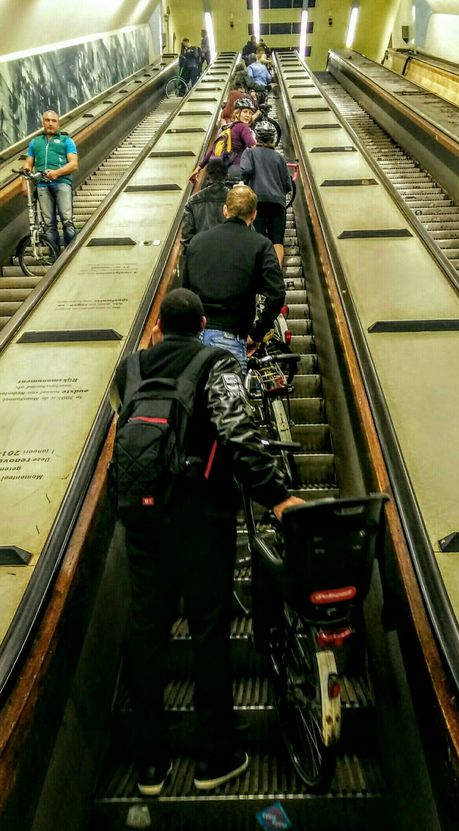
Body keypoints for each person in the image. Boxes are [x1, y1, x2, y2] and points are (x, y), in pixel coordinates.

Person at [112, 287, 303, 796]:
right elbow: (235, 429)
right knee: (208, 629)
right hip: (200, 515)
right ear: (200, 325)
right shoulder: (215, 363)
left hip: (141, 516)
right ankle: (213, 755)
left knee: (146, 630)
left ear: (158, 328)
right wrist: (277, 496)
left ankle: (150, 766)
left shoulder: (128, 369)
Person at [182, 185, 285, 373]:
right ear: (254, 214)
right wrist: (257, 333)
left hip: (193, 342)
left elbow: (185, 294)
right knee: (227, 401)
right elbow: (277, 294)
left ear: (225, 210)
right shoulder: (261, 245)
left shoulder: (197, 242)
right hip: (230, 339)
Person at [23, 110, 78, 251]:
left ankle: (71, 254)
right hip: (42, 186)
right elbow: (28, 165)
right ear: (43, 122)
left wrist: (57, 173)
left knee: (67, 221)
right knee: (49, 224)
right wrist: (24, 182)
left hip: (62, 183)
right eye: (47, 120)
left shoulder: (67, 141)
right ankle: (55, 257)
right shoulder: (35, 143)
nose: (50, 123)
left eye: (53, 121)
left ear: (58, 123)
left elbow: (74, 164)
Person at [240, 121, 292, 268]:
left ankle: (261, 276)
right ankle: (277, 274)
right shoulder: (279, 157)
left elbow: (246, 171)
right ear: (273, 138)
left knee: (259, 238)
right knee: (277, 241)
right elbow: (288, 185)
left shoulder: (249, 153)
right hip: (278, 203)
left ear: (256, 137)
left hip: (257, 202)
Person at [189, 98, 256, 187]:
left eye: (250, 113)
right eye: (245, 112)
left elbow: (213, 150)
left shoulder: (225, 128)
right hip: (236, 171)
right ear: (237, 113)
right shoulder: (243, 127)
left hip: (218, 173)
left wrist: (198, 169)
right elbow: (252, 145)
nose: (248, 115)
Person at [181, 158, 228, 253]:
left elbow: (187, 236)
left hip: (201, 254)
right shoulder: (236, 199)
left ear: (207, 177)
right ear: (226, 176)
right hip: (229, 255)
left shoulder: (192, 201)